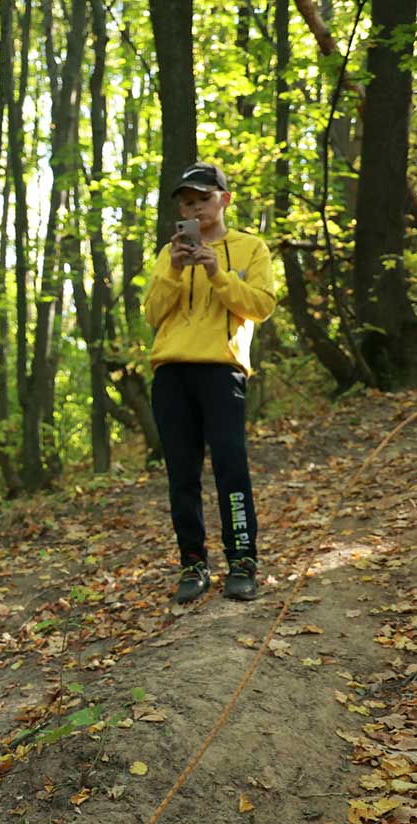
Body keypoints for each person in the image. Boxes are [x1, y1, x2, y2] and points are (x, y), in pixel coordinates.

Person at [143, 162, 277, 603]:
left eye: (202, 199)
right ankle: (193, 563)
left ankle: (243, 560)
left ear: (224, 199)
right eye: (187, 202)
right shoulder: (169, 253)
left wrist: (217, 273)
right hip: (171, 374)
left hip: (223, 372)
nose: (195, 208)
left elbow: (260, 306)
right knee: (181, 474)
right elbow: (153, 314)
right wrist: (177, 270)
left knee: (230, 468)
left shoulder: (251, 248)